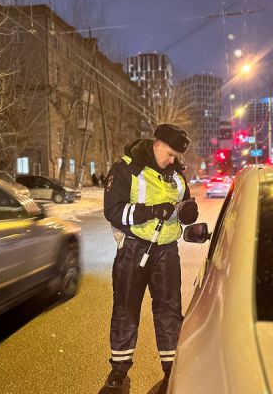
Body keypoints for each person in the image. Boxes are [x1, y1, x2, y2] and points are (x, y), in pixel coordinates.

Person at [100, 124, 199, 394]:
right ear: (156, 145)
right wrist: (151, 210)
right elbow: (113, 211)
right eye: (168, 154)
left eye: (176, 156)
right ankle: (118, 373)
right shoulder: (126, 168)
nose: (172, 160)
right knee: (126, 310)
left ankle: (171, 373)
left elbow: (185, 201)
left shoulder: (176, 172)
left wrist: (189, 211)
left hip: (167, 251)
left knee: (169, 313)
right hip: (133, 249)